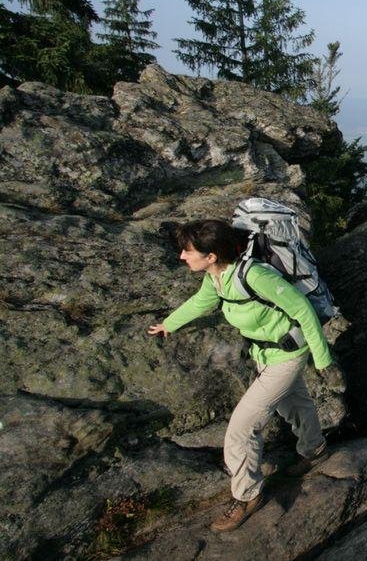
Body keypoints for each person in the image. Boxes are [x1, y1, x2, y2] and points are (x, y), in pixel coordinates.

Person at [148, 219, 335, 532]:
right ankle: (315, 450)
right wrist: (170, 323)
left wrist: (322, 356)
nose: (182, 256)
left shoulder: (254, 275)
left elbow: (301, 308)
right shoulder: (216, 278)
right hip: (265, 354)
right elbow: (200, 302)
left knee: (241, 429)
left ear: (211, 256)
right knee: (295, 405)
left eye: (188, 251)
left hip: (287, 356)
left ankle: (247, 496)